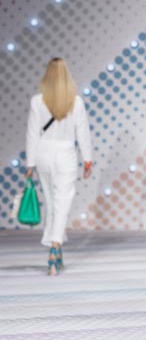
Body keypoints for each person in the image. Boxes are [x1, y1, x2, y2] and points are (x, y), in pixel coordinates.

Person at [25, 58, 93, 275]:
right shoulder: (76, 102)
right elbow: (83, 133)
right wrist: (88, 159)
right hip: (65, 153)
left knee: (52, 203)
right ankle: (54, 249)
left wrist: (30, 163)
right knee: (61, 203)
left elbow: (32, 134)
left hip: (43, 153)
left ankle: (58, 249)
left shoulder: (37, 101)